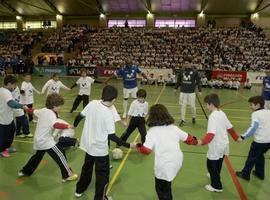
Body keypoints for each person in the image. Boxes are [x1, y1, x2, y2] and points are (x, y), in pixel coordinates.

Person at [73, 85, 135, 199]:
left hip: (88, 146)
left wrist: (74, 126)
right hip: (100, 150)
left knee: (87, 168)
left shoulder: (92, 103)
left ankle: (79, 190)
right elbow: (111, 136)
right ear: (114, 100)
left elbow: (79, 116)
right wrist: (128, 144)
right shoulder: (108, 114)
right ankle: (100, 198)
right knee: (102, 176)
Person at [135, 104, 198, 200]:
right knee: (168, 182)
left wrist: (138, 146)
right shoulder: (174, 128)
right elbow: (190, 139)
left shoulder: (152, 131)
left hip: (164, 164)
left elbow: (146, 150)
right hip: (177, 161)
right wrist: (197, 141)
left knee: (162, 189)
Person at [18, 93, 78, 182]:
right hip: (46, 141)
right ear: (54, 106)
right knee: (60, 154)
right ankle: (67, 175)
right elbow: (55, 124)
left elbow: (33, 111)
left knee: (37, 157)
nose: (60, 108)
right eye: (59, 106)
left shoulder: (43, 110)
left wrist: (26, 108)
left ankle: (25, 171)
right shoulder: (51, 114)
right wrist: (68, 126)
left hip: (39, 139)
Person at [197, 93, 240, 192]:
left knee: (211, 164)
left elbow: (211, 134)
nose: (206, 106)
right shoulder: (221, 112)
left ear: (211, 104)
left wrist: (202, 142)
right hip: (224, 144)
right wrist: (236, 138)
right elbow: (230, 128)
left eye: (206, 104)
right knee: (219, 160)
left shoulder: (212, 116)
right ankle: (216, 174)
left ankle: (216, 186)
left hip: (216, 145)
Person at [236, 96, 270, 181]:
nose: (250, 107)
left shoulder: (255, 114)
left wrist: (243, 136)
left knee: (252, 157)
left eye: (251, 105)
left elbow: (253, 128)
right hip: (268, 141)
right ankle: (260, 173)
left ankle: (245, 174)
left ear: (257, 105)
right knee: (260, 155)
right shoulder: (268, 112)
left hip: (260, 141)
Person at [0, 75, 28, 158]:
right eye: (14, 84)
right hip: (3, 119)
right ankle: (1, 150)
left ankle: (7, 147)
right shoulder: (6, 92)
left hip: (8, 117)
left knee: (12, 131)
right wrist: (22, 106)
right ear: (8, 84)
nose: (15, 86)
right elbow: (11, 103)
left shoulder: (3, 90)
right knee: (3, 136)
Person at [174, 56, 202, 126]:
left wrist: (199, 90)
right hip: (183, 92)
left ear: (191, 63)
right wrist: (175, 88)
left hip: (191, 92)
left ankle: (193, 117)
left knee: (193, 106)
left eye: (187, 63)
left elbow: (198, 81)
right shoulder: (181, 71)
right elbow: (179, 81)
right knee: (183, 106)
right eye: (185, 63)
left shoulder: (195, 72)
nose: (186, 65)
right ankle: (183, 120)